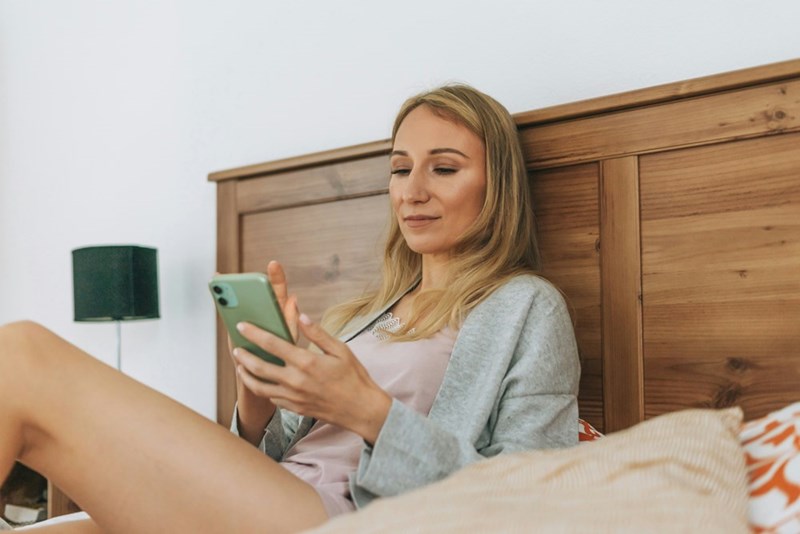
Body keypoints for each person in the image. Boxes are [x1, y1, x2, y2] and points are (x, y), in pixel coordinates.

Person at [0, 84, 580, 533]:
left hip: (342, 516)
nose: (412, 190)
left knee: (22, 355)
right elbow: (272, 452)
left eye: (444, 168)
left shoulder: (525, 307)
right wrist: (255, 395)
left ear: (497, 184)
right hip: (271, 494)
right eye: (400, 168)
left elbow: (528, 496)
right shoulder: (361, 316)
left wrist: (371, 413)